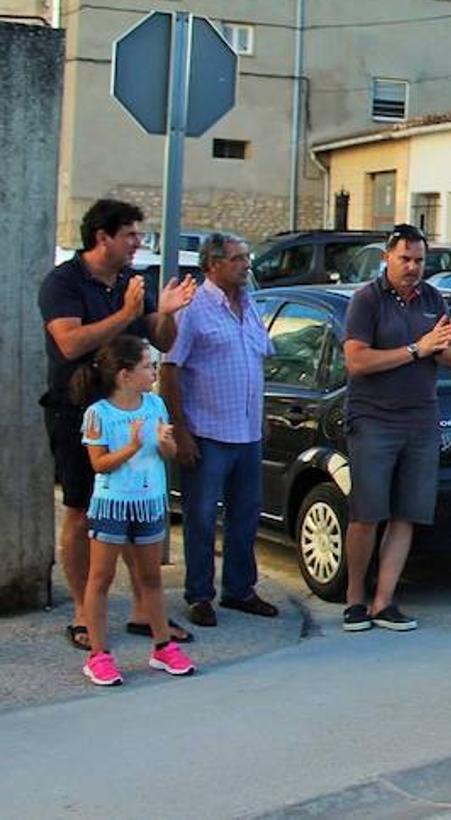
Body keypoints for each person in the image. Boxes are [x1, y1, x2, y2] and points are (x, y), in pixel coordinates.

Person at [39, 199, 197, 652]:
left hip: (132, 409)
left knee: (134, 505)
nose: (138, 244)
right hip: (79, 411)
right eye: (130, 234)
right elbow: (69, 344)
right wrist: (126, 316)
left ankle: (146, 613)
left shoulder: (132, 280)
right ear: (102, 237)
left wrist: (167, 311)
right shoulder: (63, 283)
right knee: (82, 508)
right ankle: (85, 614)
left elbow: (161, 338)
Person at [340, 224, 451, 633]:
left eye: (419, 260)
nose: (412, 267)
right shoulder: (366, 300)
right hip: (373, 418)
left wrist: (440, 346)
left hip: (421, 418)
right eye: (405, 259)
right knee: (367, 513)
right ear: (386, 258)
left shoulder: (432, 298)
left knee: (408, 512)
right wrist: (416, 349)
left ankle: (384, 601)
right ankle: (355, 599)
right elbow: (356, 362)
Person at [160, 233, 277, 628]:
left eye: (247, 258)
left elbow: (258, 363)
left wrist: (260, 416)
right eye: (237, 259)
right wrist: (181, 429)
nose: (246, 265)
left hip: (246, 432)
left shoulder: (251, 305)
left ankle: (240, 590)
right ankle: (199, 595)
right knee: (202, 517)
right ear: (213, 265)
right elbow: (170, 368)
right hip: (207, 431)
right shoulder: (193, 308)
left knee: (245, 515)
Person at [74, 335, 196, 685]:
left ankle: (162, 646)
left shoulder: (155, 406)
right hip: (112, 504)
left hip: (149, 503)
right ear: (125, 375)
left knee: (150, 577)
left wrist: (166, 445)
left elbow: (165, 454)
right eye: (147, 366)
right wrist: (131, 445)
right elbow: (99, 464)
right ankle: (99, 655)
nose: (154, 371)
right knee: (101, 578)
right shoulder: (98, 414)